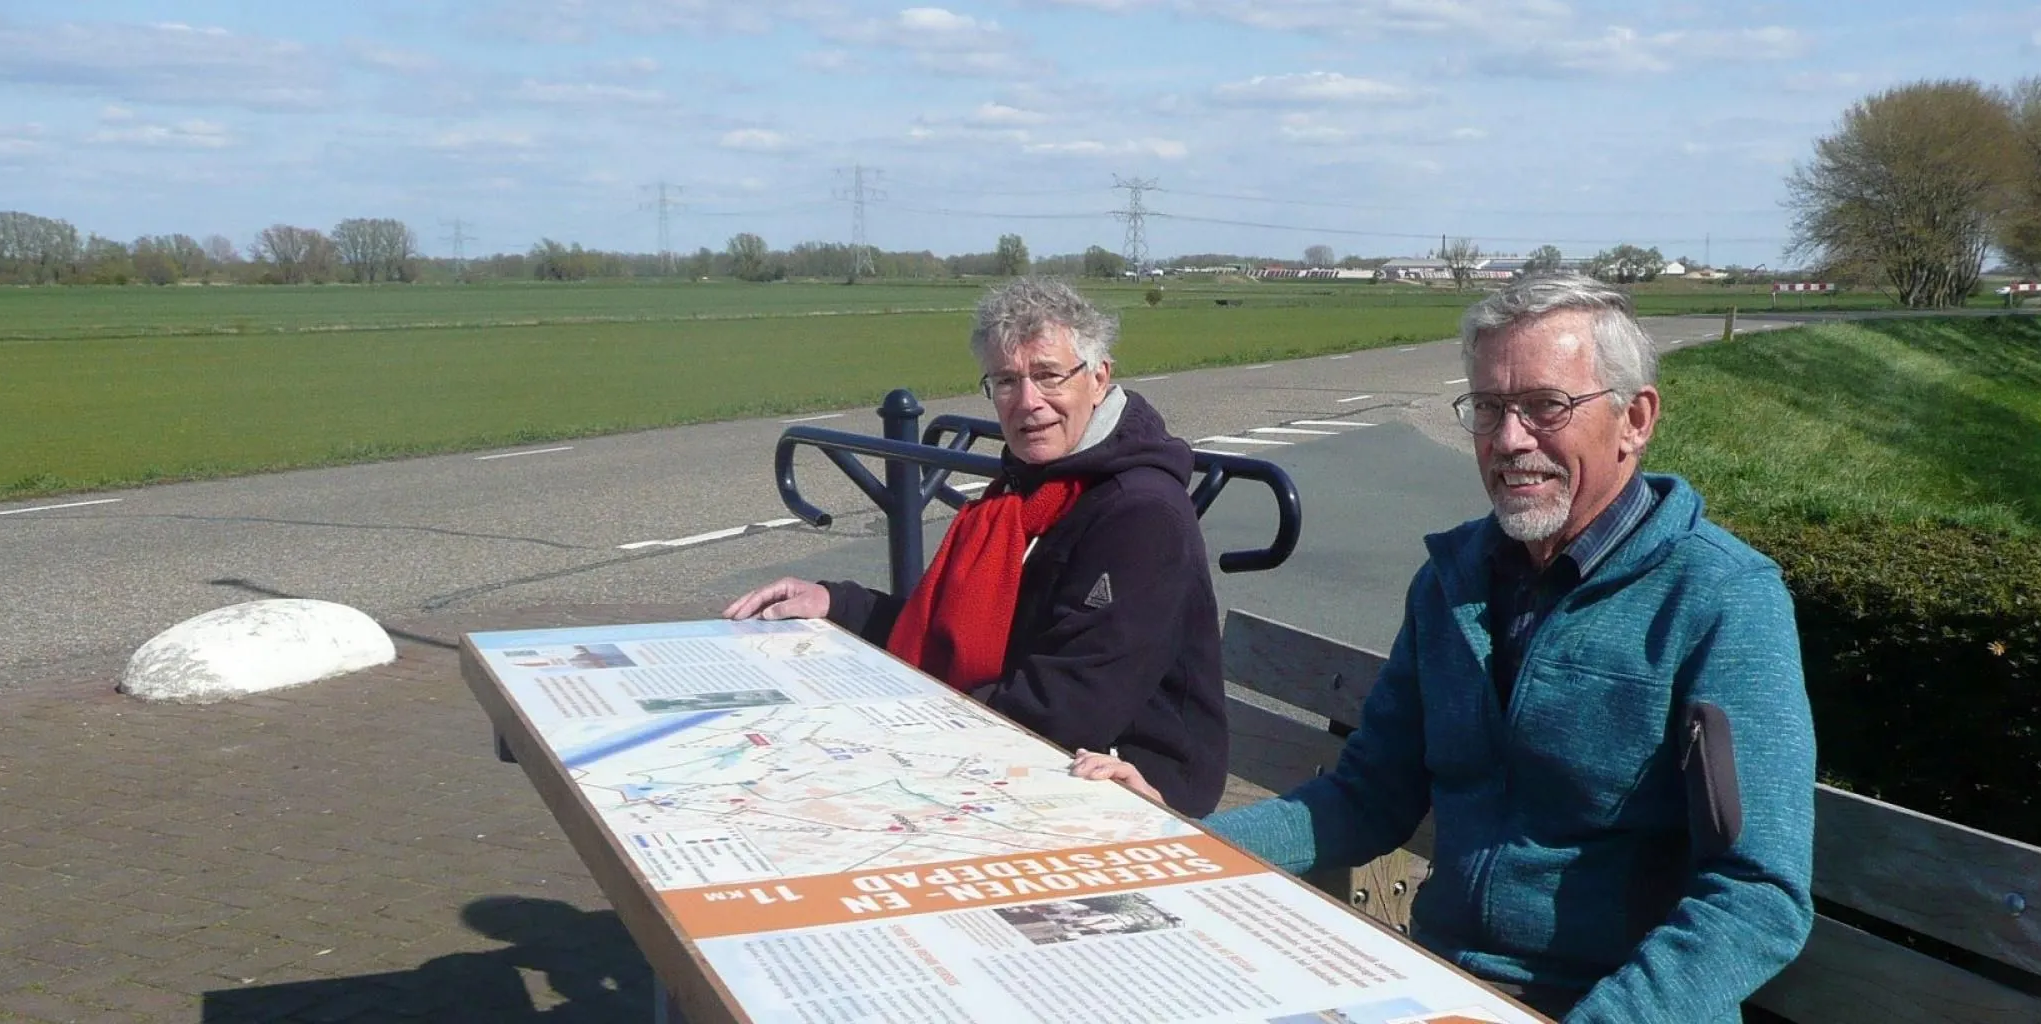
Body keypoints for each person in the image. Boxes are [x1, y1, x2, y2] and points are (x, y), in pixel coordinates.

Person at [1075, 274, 1815, 1021]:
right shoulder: (1453, 580)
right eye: (1488, 408)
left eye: (1545, 406)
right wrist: (1187, 846)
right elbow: (1368, 797)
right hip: (1437, 982)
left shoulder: (1722, 600)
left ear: (1636, 419)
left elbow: (1757, 898)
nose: (1510, 439)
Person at [726, 277, 1229, 817]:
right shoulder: (1033, 484)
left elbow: (1066, 708)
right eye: (1007, 381)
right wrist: (838, 603)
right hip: (1027, 747)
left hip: (1134, 783)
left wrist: (908, 721)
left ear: (1099, 378)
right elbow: (958, 629)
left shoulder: (1139, 514)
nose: (1028, 402)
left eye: (1047, 376)